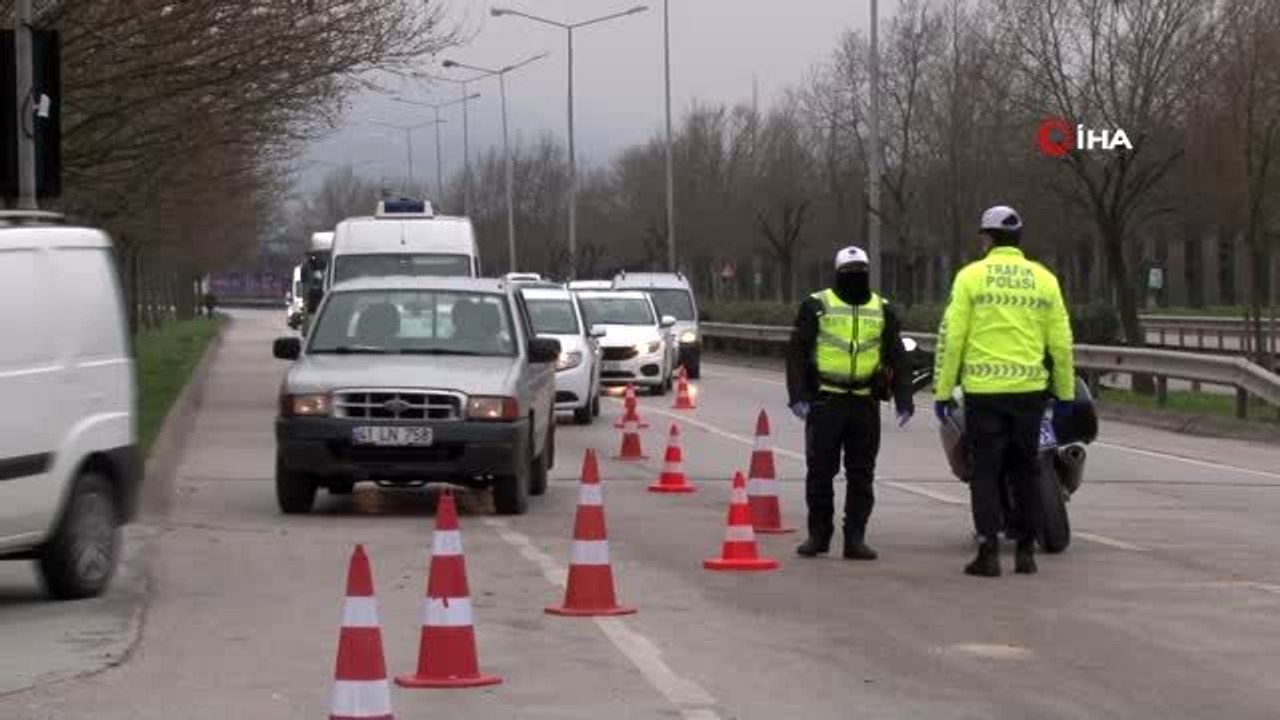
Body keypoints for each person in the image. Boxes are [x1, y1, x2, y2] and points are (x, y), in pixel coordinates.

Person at [933, 205, 1075, 578]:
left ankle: (989, 553)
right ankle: (1026, 552)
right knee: (1026, 469)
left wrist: (943, 390)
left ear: (987, 238)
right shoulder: (1044, 280)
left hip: (984, 393)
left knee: (986, 473)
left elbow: (952, 338)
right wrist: (1063, 392)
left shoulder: (971, 277)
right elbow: (1061, 343)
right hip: (1030, 392)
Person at [786, 246, 915, 560]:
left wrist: (904, 397)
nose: (856, 276)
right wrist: (799, 396)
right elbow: (797, 353)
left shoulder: (882, 309)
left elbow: (897, 354)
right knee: (820, 472)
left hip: (864, 403)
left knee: (861, 474)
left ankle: (855, 538)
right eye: (849, 271)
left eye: (861, 271)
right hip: (826, 400)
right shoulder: (818, 305)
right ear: (837, 273)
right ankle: (819, 535)